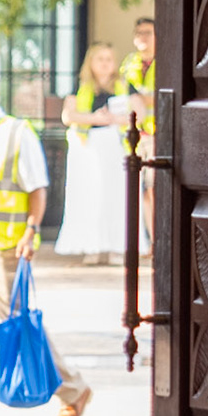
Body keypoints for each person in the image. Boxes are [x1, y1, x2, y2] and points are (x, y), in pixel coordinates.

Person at [0, 67, 92, 416]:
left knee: (21, 325)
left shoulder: (15, 133)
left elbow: (36, 187)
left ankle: (74, 389)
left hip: (2, 252)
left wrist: (31, 231)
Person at [53, 42, 132, 264]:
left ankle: (117, 247)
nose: (105, 64)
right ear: (91, 62)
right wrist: (94, 119)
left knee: (116, 197)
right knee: (91, 197)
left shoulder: (125, 86)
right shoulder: (80, 87)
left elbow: (139, 114)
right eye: (100, 59)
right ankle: (92, 247)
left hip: (116, 146)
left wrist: (115, 119)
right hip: (87, 147)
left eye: (109, 59)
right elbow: (68, 116)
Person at [121, 16, 157, 235]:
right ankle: (149, 238)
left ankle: (156, 239)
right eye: (139, 33)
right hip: (134, 135)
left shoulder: (164, 62)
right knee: (140, 189)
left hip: (157, 134)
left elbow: (165, 96)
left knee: (154, 188)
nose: (142, 37)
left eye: (147, 33)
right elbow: (122, 95)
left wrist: (142, 98)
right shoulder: (128, 63)